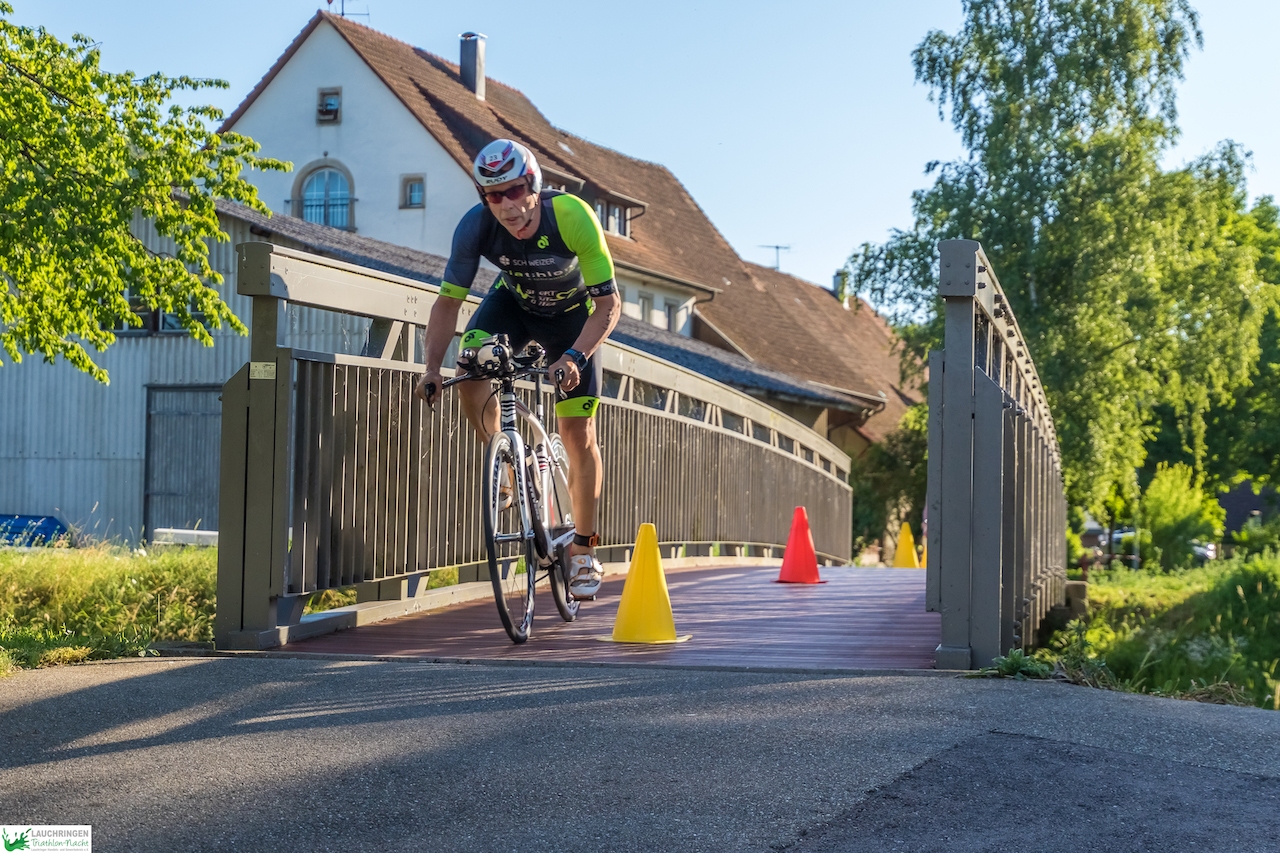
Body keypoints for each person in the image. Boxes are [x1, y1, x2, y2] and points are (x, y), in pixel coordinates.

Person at [414, 138, 620, 600]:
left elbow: (609, 305)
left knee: (578, 433)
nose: (507, 205)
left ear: (534, 185)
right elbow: (447, 304)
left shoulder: (572, 216)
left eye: (515, 191)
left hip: (574, 319)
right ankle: (505, 461)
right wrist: (431, 368)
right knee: (469, 366)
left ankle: (584, 549)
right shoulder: (475, 226)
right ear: (483, 198)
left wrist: (576, 357)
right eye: (494, 195)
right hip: (515, 305)